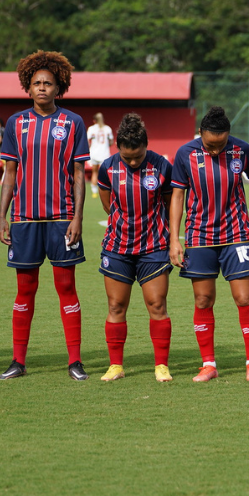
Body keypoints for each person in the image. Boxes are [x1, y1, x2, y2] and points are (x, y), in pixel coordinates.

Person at [0, 51, 91, 381]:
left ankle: (75, 361)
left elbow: (80, 174)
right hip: (24, 220)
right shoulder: (15, 123)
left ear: (59, 86)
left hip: (62, 219)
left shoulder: (73, 123)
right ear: (27, 85)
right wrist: (1, 216)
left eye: (48, 83)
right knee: (25, 290)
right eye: (36, 83)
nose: (41, 88)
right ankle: (18, 361)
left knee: (67, 288)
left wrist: (78, 217)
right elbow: (10, 173)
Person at [169, 107, 249, 383]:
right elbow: (177, 196)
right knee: (203, 299)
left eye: (221, 144)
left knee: (245, 298)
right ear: (201, 134)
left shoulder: (241, 149)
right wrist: (174, 238)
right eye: (211, 145)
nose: (215, 150)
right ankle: (208, 364)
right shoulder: (185, 153)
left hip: (236, 233)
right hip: (199, 236)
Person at [96, 114, 175, 382]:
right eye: (127, 157)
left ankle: (161, 365)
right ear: (117, 148)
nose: (132, 162)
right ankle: (116, 366)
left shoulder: (162, 166)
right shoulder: (107, 167)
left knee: (157, 304)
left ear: (146, 147)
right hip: (117, 246)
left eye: (137, 157)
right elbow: (108, 205)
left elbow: (167, 203)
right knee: (116, 305)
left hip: (153, 246)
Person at [88, 113, 114, 199]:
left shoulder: (91, 129)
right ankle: (107, 191)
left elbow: (88, 141)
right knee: (106, 174)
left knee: (94, 172)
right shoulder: (107, 128)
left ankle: (94, 192)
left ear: (94, 120)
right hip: (104, 154)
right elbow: (111, 141)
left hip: (94, 153)